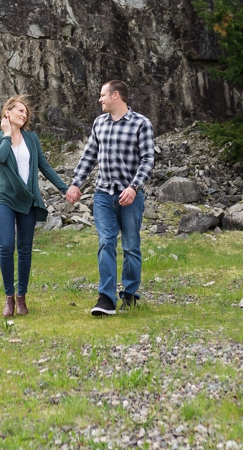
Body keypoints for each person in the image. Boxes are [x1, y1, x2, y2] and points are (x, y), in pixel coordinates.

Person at [65, 80, 154, 317]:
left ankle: (130, 294)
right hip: (103, 194)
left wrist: (134, 187)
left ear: (116, 95)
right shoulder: (99, 123)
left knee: (131, 246)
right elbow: (89, 156)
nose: (100, 99)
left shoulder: (141, 123)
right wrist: (76, 183)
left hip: (131, 196)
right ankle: (106, 298)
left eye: (103, 95)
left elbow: (147, 160)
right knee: (106, 241)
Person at [0, 94, 69, 317]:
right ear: (8, 112)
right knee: (6, 246)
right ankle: (9, 298)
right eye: (20, 110)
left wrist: (64, 189)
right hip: (4, 199)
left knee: (25, 249)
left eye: (26, 112)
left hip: (28, 200)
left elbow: (45, 166)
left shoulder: (31, 138)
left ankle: (21, 297)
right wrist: (7, 134)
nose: (24, 115)